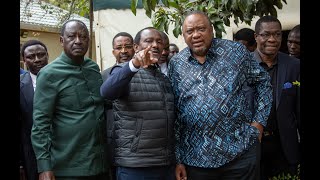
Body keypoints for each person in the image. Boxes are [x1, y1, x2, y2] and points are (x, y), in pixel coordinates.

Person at [168, 11, 273, 180]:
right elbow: (176, 112)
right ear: (183, 35)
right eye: (190, 31)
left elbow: (263, 82)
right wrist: (178, 159)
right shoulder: (176, 64)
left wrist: (259, 123)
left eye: (201, 29)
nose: (196, 35)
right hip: (196, 159)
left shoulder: (236, 52)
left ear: (212, 29)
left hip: (240, 151)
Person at [31, 19, 108, 180]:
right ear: (61, 40)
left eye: (83, 37)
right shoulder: (49, 74)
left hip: (100, 164)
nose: (78, 41)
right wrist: (44, 167)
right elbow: (40, 125)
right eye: (72, 36)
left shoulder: (93, 68)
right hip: (68, 168)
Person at [100, 27, 176, 180]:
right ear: (136, 47)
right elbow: (106, 92)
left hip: (165, 164)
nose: (155, 45)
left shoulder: (164, 78)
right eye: (149, 41)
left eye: (159, 42)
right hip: (135, 166)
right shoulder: (123, 70)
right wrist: (134, 65)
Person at [253, 15, 300, 179]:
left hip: (285, 147)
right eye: (266, 34)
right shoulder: (242, 65)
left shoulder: (294, 66)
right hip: (251, 149)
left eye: (277, 34)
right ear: (256, 37)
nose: (272, 39)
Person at [101, 32, 135, 180]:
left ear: (135, 48)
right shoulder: (104, 75)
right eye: (119, 47)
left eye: (127, 46)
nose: (123, 51)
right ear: (113, 51)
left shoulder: (144, 71)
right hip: (113, 138)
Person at [20, 40, 49, 180]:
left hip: (67, 152)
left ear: (47, 56)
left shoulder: (65, 79)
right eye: (31, 57)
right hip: (32, 155)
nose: (37, 60)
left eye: (41, 55)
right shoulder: (20, 86)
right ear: (24, 60)